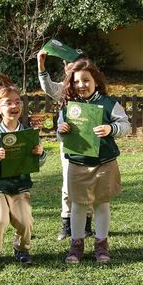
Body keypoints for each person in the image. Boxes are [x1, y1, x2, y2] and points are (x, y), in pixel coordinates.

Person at [57, 59, 131, 264]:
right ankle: (76, 245)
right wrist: (61, 131)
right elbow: (60, 134)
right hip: (77, 163)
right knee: (78, 206)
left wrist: (111, 129)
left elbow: (126, 126)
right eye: (77, 81)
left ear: (96, 81)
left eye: (86, 80)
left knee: (101, 204)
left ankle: (101, 246)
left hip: (104, 163)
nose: (81, 85)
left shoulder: (109, 104)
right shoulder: (68, 107)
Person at [0, 66, 47, 271]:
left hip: (20, 186)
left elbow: (38, 162)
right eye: (8, 103)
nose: (14, 106)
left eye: (17, 102)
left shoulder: (27, 133)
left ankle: (22, 249)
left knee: (25, 222)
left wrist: (40, 153)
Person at [37, 49, 93, 240]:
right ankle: (66, 223)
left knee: (88, 183)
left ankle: (86, 224)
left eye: (77, 62)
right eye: (69, 63)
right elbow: (47, 87)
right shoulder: (64, 91)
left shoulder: (92, 89)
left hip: (90, 145)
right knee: (68, 184)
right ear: (65, 66)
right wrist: (41, 65)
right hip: (68, 144)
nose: (72, 67)